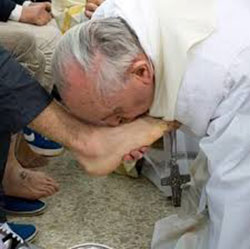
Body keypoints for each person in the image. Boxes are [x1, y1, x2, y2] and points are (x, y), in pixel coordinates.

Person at [51, 0, 250, 248]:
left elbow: (237, 202)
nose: (117, 129)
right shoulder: (111, 20)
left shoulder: (227, 76)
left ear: (141, 73)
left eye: (119, 117)